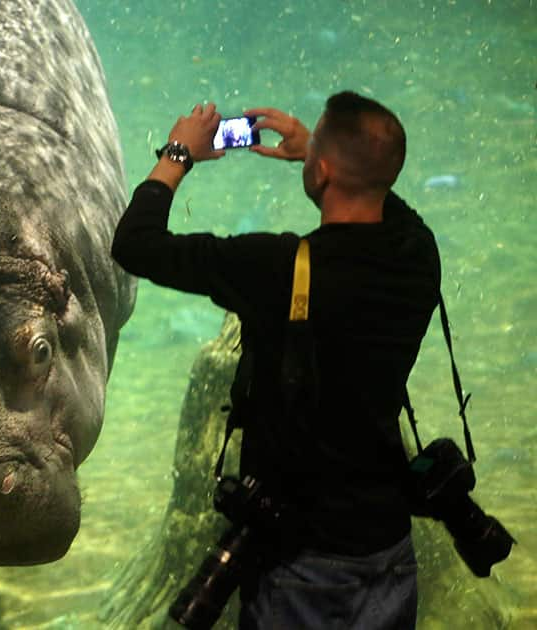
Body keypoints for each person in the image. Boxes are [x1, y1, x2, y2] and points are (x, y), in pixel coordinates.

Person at [111, 92, 440, 629]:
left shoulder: (277, 267)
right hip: (388, 547)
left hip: (299, 559)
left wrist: (178, 153)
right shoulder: (418, 254)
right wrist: (324, 153)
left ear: (324, 170)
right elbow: (385, 202)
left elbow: (136, 244)